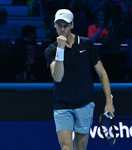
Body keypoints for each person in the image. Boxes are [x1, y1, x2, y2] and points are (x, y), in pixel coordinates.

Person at [44, 9, 115, 150]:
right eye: (59, 25)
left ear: (72, 25)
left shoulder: (86, 44)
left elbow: (102, 74)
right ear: (54, 25)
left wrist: (109, 101)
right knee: (66, 147)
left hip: (85, 104)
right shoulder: (51, 50)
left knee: (81, 148)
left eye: (66, 25)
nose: (62, 29)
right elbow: (58, 76)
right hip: (62, 105)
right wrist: (60, 49)